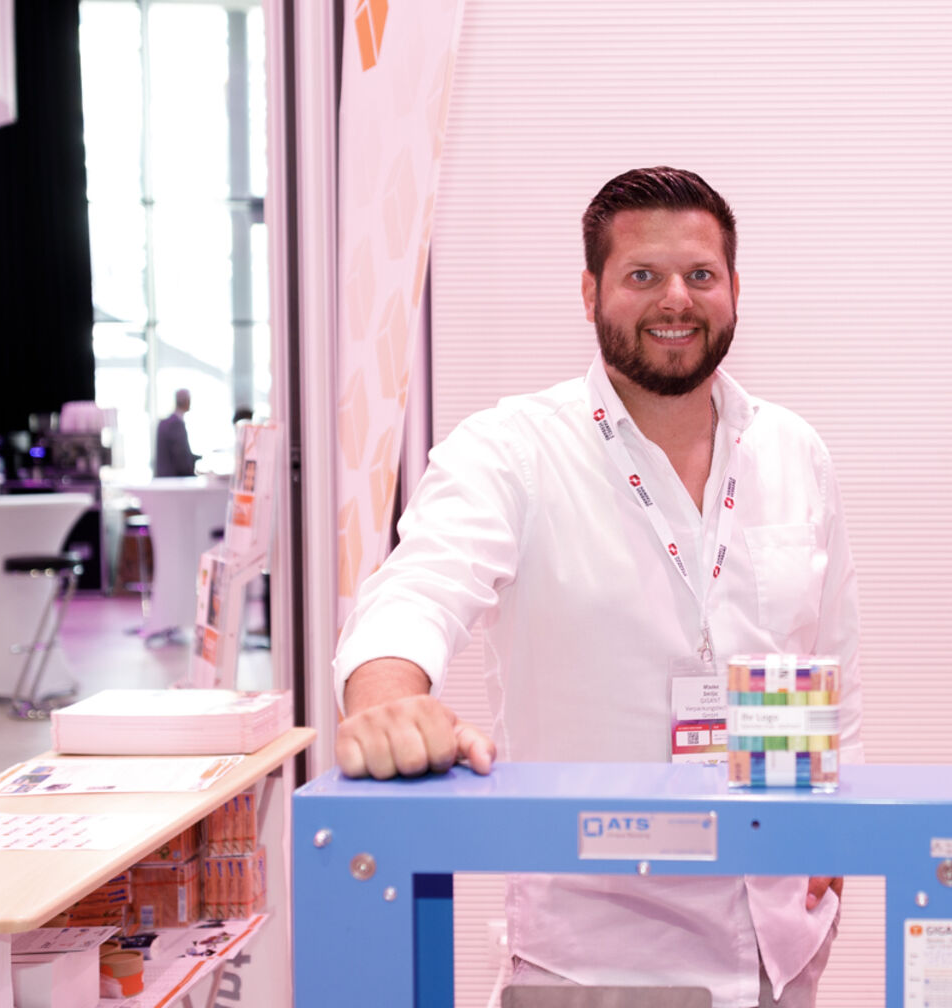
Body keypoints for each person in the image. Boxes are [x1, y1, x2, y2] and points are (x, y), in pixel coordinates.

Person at [333, 166, 861, 1007]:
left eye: (701, 274)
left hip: (781, 942)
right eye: (642, 275)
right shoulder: (512, 450)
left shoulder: (794, 451)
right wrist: (387, 700)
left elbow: (832, 659)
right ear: (590, 293)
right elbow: (418, 588)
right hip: (595, 961)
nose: (676, 299)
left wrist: (837, 825)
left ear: (734, 288)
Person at [154, 388, 199, 477]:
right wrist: (193, 475)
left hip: (165, 477)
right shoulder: (175, 424)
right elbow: (181, 457)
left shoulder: (166, 422)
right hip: (173, 479)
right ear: (186, 401)